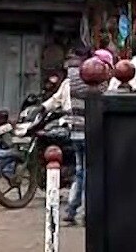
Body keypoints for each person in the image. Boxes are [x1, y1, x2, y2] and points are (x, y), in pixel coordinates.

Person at [42, 43, 107, 226]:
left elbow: (55, 100)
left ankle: (72, 209)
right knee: (89, 173)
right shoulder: (92, 78)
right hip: (90, 132)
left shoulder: (71, 79)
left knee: (80, 172)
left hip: (75, 132)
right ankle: (86, 211)